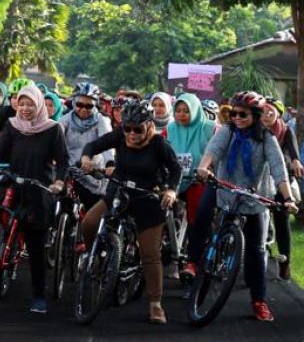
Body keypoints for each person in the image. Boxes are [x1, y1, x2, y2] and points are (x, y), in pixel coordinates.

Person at [186, 91, 298, 321]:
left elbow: (279, 169)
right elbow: (213, 150)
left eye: (243, 114)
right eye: (234, 113)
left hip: (255, 200)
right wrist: (204, 168)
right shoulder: (228, 131)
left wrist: (288, 198)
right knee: (209, 231)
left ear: (256, 115)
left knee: (256, 251)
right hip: (226, 192)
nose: (236, 117)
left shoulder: (268, 139)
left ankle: (259, 301)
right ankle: (197, 269)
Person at [79, 99, 182, 324]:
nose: (132, 133)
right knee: (89, 222)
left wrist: (171, 191)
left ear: (149, 125)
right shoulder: (120, 135)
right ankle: (93, 256)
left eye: (138, 129)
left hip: (147, 197)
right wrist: (86, 158)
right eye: (127, 128)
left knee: (150, 254)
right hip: (119, 191)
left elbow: (175, 168)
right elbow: (93, 146)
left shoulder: (158, 144)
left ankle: (155, 303)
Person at [0, 85, 68, 313]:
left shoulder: (53, 129)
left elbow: (63, 161)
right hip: (12, 183)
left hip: (38, 188)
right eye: (21, 104)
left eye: (30, 104)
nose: (24, 108)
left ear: (39, 105)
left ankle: (39, 295)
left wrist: (59, 182)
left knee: (35, 244)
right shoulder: (12, 126)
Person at [167, 92, 216, 280]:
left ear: (195, 111)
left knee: (198, 218)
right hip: (175, 180)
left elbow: (219, 149)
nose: (181, 115)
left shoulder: (209, 128)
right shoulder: (171, 128)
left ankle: (194, 261)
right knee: (159, 209)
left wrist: (208, 169)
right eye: (178, 110)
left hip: (199, 179)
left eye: (186, 111)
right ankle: (168, 252)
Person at [261, 98, 301, 280]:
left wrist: (295, 161)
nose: (267, 115)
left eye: (272, 112)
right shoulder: (253, 130)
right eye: (264, 111)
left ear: (278, 114)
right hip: (259, 181)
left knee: (281, 219)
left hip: (280, 181)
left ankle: (285, 263)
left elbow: (293, 152)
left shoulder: (285, 131)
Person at [61, 82, 113, 208]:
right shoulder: (64, 120)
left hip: (93, 174)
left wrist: (110, 164)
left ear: (95, 105)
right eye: (79, 104)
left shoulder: (102, 121)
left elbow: (107, 145)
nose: (84, 109)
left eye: (89, 106)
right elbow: (56, 142)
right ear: (73, 103)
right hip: (70, 173)